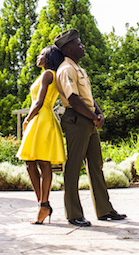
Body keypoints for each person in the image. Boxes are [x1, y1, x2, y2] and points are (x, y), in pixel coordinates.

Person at [53, 28, 126, 227]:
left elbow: (89, 98)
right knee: (74, 167)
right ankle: (73, 213)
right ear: (68, 48)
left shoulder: (79, 70)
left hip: (88, 119)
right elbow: (73, 99)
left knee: (96, 165)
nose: (82, 46)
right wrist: (94, 116)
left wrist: (99, 114)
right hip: (76, 120)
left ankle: (104, 210)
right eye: (78, 43)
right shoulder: (66, 69)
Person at [16, 45, 67, 224]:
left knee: (42, 163)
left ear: (49, 57)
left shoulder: (48, 74)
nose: (38, 57)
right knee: (30, 162)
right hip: (42, 119)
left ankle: (43, 204)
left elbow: (38, 102)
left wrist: (27, 119)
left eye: (42, 54)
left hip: (41, 118)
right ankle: (43, 204)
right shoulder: (47, 74)